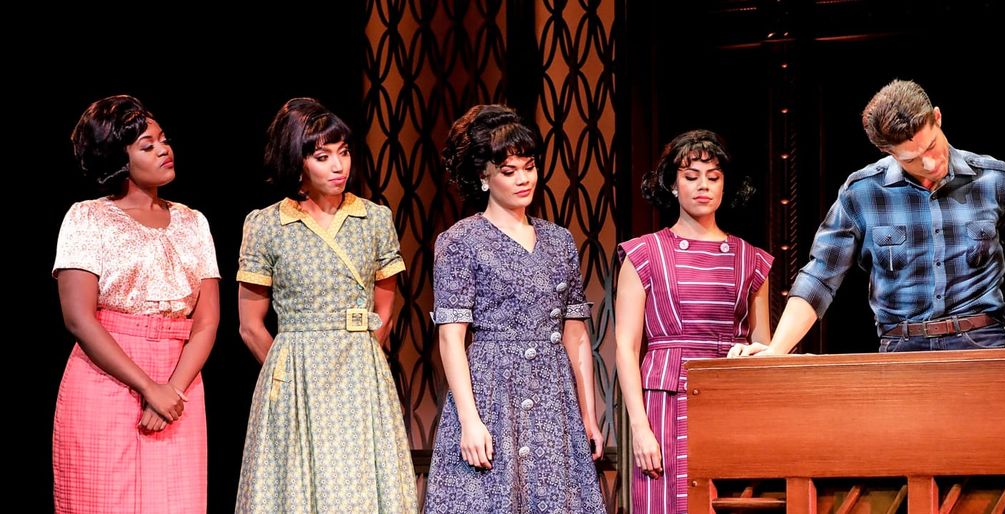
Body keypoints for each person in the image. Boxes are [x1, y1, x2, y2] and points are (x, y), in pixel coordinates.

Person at [733, 79, 1005, 356]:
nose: (930, 163)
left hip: (981, 341)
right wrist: (776, 350)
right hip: (902, 347)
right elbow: (820, 275)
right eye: (912, 159)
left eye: (931, 146)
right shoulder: (863, 191)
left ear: (937, 117)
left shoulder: (994, 179)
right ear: (887, 151)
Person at [234, 98, 418, 512]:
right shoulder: (266, 225)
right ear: (297, 163)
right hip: (295, 372)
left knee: (360, 480)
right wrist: (288, 373)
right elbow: (250, 325)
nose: (338, 166)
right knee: (295, 485)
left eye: (344, 152)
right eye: (323, 157)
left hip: (359, 368)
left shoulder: (374, 219)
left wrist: (363, 352)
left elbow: (385, 304)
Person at [423, 104, 605, 513]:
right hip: (493, 390)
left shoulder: (558, 240)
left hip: (553, 392)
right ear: (484, 176)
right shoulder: (460, 241)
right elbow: (451, 339)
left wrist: (588, 415)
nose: (524, 179)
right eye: (509, 171)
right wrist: (469, 420)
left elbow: (576, 333)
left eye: (529, 167)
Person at [53, 95, 219, 513]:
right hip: (107, 376)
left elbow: (206, 321)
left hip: (180, 382)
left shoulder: (193, 222)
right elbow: (79, 318)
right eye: (147, 145)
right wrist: (148, 388)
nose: (164, 150)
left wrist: (172, 390)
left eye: (164, 140)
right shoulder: (87, 218)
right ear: (117, 158)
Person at [615, 130, 773, 513]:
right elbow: (625, 347)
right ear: (672, 184)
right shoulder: (644, 253)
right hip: (665, 401)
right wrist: (639, 427)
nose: (703, 185)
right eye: (691, 176)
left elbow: (766, 349)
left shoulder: (751, 259)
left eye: (713, 177)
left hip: (730, 402)